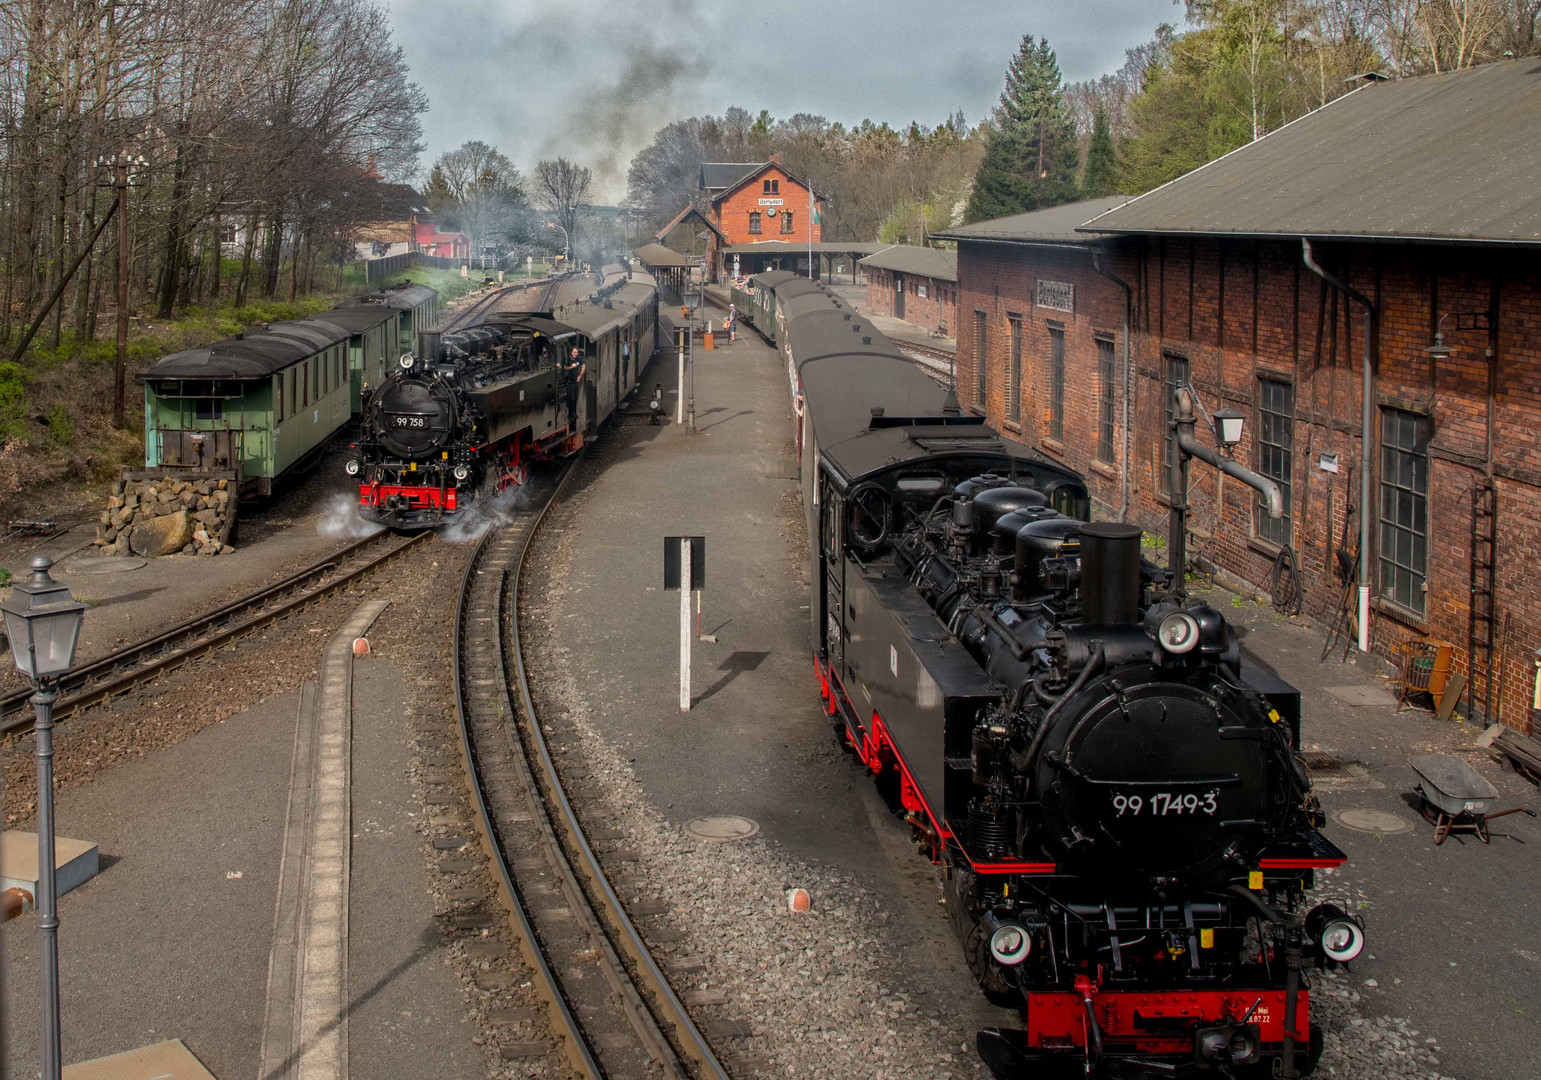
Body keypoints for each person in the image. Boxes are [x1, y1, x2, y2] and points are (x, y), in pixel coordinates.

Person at [564, 345, 586, 427]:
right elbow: (564, 367)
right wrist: (571, 367)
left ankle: (573, 414)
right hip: (569, 382)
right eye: (574, 352)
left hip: (575, 382)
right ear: (571, 352)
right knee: (571, 398)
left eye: (576, 352)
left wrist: (580, 375)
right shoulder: (568, 359)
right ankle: (571, 414)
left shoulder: (578, 359)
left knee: (575, 398)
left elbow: (583, 366)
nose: (575, 354)